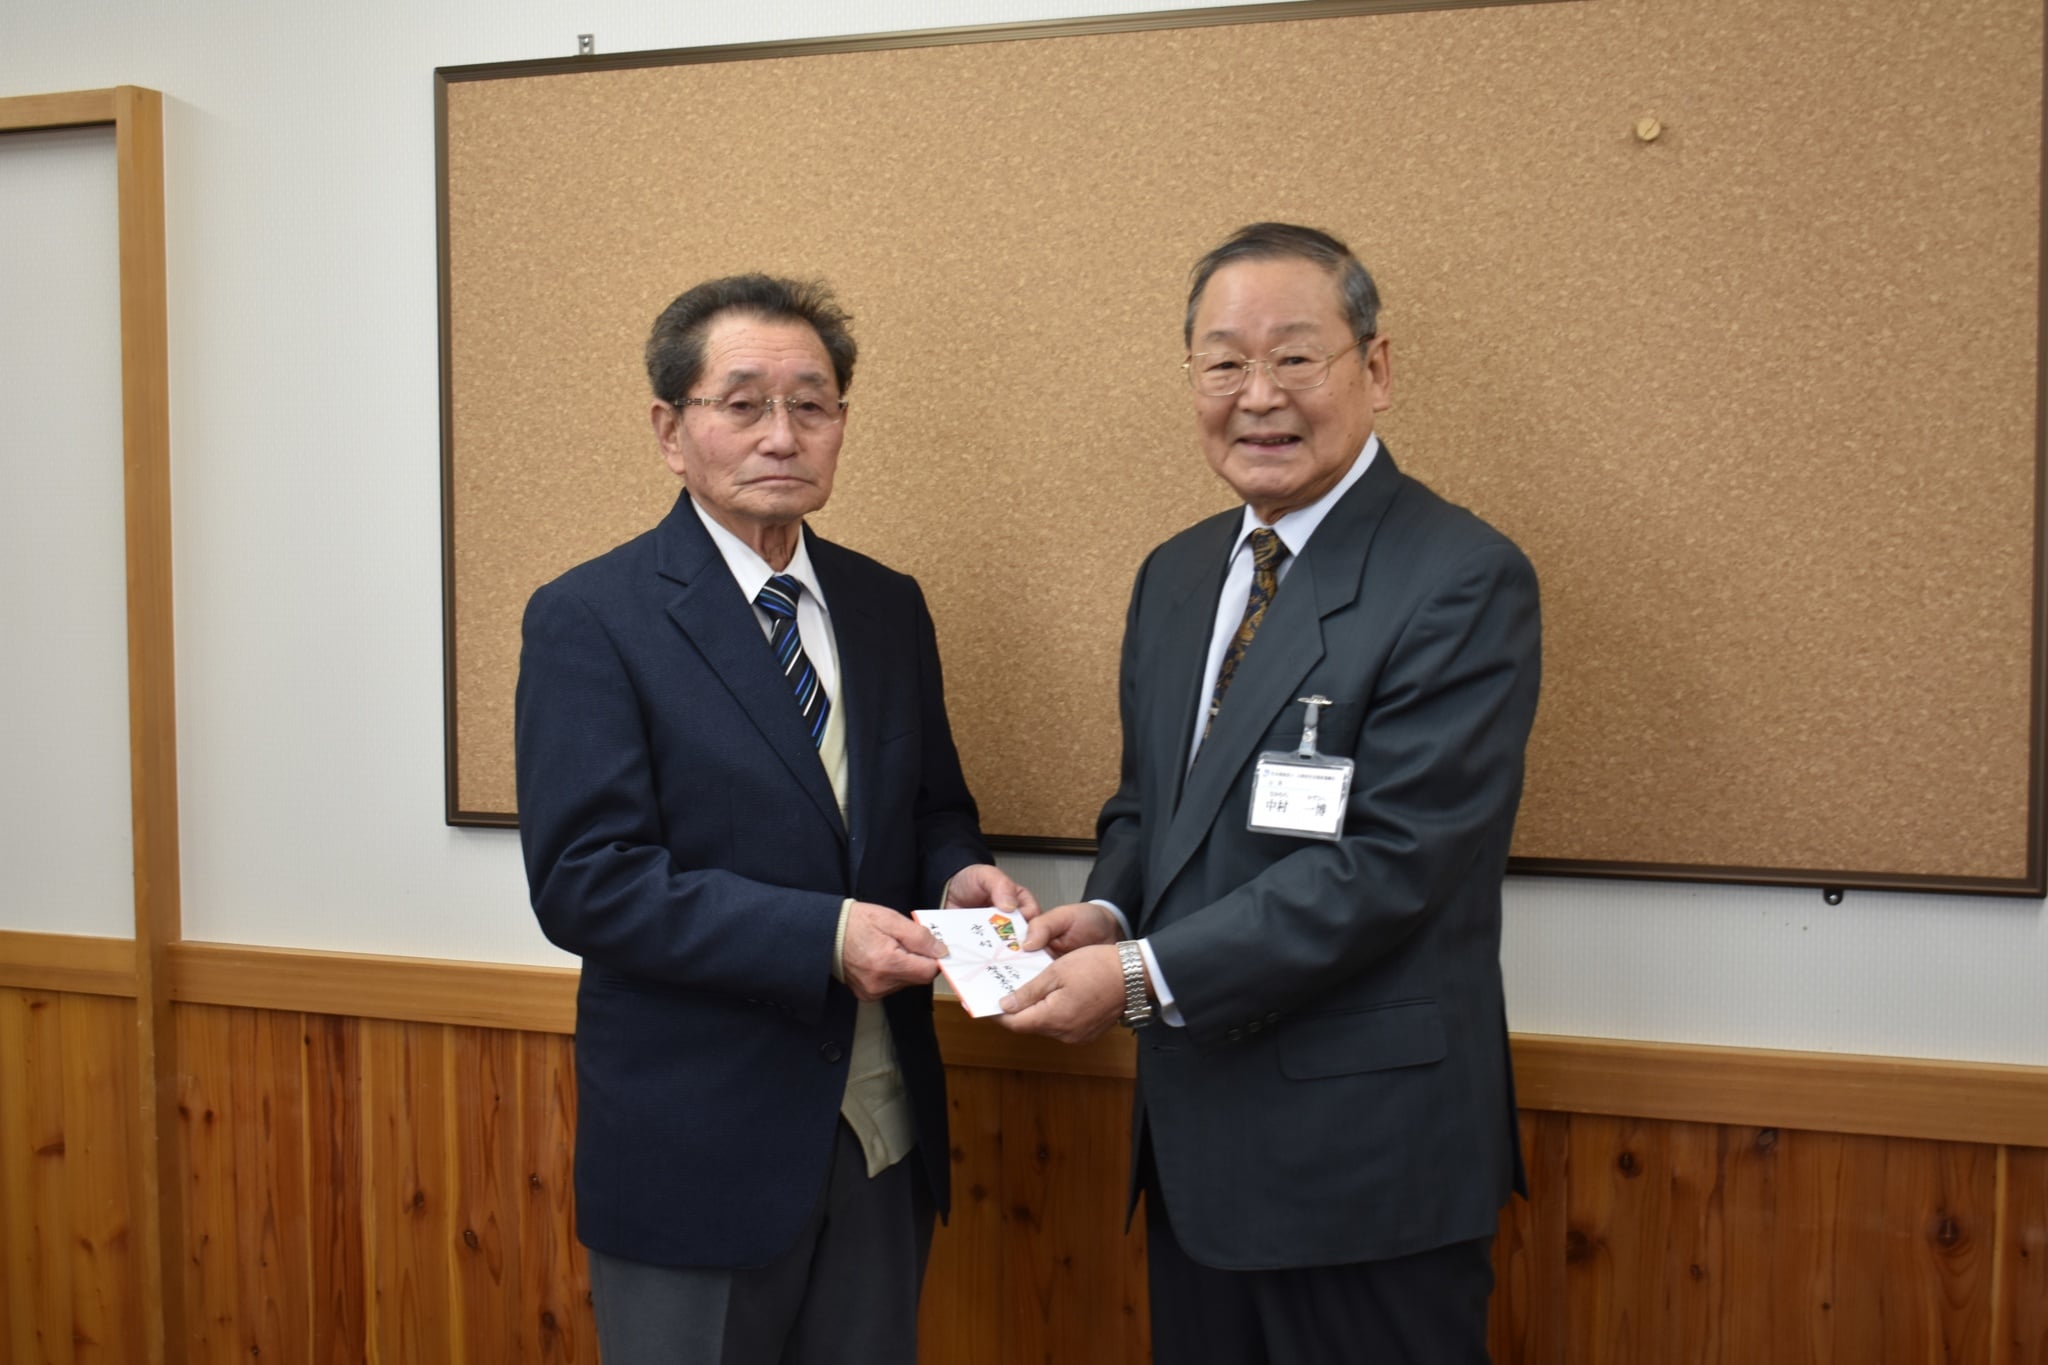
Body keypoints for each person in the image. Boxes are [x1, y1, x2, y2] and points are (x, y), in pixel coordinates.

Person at [999, 223, 1542, 1363]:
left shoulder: (1457, 577)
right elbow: (1150, 804)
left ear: (1375, 370)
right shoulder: (1178, 572)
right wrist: (1102, 911)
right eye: (1221, 363)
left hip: (1364, 1162)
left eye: (1295, 358)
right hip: (1197, 1148)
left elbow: (1391, 864)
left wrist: (1137, 975)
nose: (1257, 396)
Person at [515, 273, 1035, 1365]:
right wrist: (822, 937)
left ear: (841, 424)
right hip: (697, 1149)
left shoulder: (887, 604)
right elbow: (587, 881)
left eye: (811, 403)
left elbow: (932, 806)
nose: (780, 433)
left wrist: (958, 878)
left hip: (879, 1128)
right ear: (671, 429)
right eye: (742, 402)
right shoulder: (590, 618)